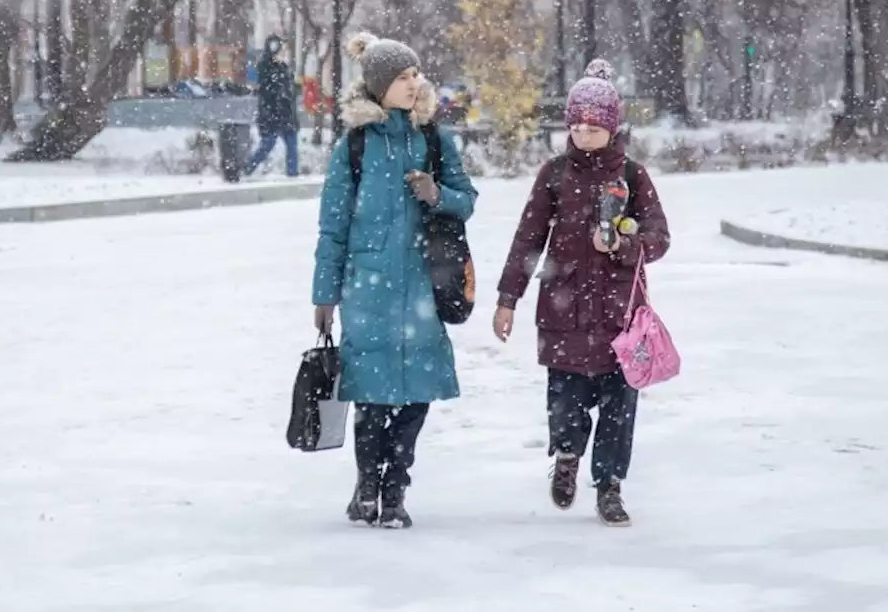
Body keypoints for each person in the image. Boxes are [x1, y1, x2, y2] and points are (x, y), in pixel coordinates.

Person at [493, 59, 670, 528]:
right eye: (576, 126)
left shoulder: (632, 177)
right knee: (565, 400)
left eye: (593, 127)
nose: (584, 134)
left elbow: (660, 236)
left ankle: (609, 486)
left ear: (611, 128)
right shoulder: (553, 174)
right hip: (563, 308)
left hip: (619, 316)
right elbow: (527, 239)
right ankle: (567, 457)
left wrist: (625, 245)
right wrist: (507, 299)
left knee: (619, 405)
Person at [311, 31, 478, 529]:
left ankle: (395, 487)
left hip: (425, 286)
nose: (413, 84)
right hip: (368, 289)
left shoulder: (433, 139)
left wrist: (436, 193)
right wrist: (324, 293)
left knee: (418, 393)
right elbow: (332, 225)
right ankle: (368, 485)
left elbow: (466, 199)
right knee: (372, 393)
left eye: (415, 75)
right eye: (403, 77)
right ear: (379, 86)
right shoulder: (355, 146)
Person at [245, 35, 299, 177]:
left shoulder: (284, 68)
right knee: (268, 144)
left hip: (285, 113)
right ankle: (247, 169)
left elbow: (289, 90)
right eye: (279, 50)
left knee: (292, 144)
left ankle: (293, 175)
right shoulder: (265, 66)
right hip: (271, 113)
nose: (282, 54)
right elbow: (267, 90)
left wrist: (292, 90)